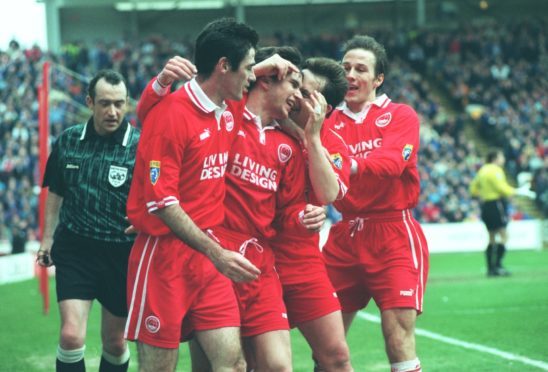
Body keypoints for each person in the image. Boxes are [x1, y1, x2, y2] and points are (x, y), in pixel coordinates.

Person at [135, 45, 326, 371]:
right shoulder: (226, 117)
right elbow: (160, 120)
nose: (298, 96)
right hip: (199, 249)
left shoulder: (290, 141)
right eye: (293, 84)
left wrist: (304, 213)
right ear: (265, 80)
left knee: (262, 365)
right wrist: (146, 209)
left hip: (252, 263)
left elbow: (294, 205)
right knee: (190, 365)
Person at [124, 18, 263, 372]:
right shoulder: (170, 115)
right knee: (159, 369)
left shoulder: (228, 108)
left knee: (233, 364)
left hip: (206, 255)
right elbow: (163, 203)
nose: (253, 77)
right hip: (163, 257)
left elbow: (256, 74)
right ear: (223, 66)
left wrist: (274, 63)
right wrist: (218, 253)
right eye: (248, 68)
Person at [321, 35, 429, 372]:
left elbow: (394, 162)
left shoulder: (401, 115)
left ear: (378, 79)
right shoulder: (324, 121)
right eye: (346, 68)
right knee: (326, 345)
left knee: (397, 337)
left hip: (393, 232)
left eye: (360, 69)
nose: (351, 75)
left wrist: (345, 164)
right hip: (344, 236)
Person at [37, 69, 138, 372]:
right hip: (76, 250)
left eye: (119, 104)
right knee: (70, 336)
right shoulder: (68, 140)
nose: (113, 111)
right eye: (105, 103)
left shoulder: (140, 145)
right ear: (90, 102)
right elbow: (56, 190)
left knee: (115, 342)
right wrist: (47, 239)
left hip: (121, 253)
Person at [270, 56, 354, 371]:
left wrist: (312, 137)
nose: (294, 95)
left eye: (306, 93)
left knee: (336, 357)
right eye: (295, 85)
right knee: (261, 362)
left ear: (324, 108)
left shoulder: (333, 143)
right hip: (259, 257)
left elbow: (328, 194)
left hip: (304, 263)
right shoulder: (262, 128)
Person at [469, 149, 536, 276]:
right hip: (496, 204)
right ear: (495, 158)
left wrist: (482, 194)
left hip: (486, 205)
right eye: (501, 157)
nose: (503, 159)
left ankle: (490, 269)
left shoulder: (482, 171)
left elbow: (472, 189)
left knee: (491, 237)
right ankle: (498, 266)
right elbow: (503, 189)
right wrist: (518, 191)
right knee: (504, 235)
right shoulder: (496, 170)